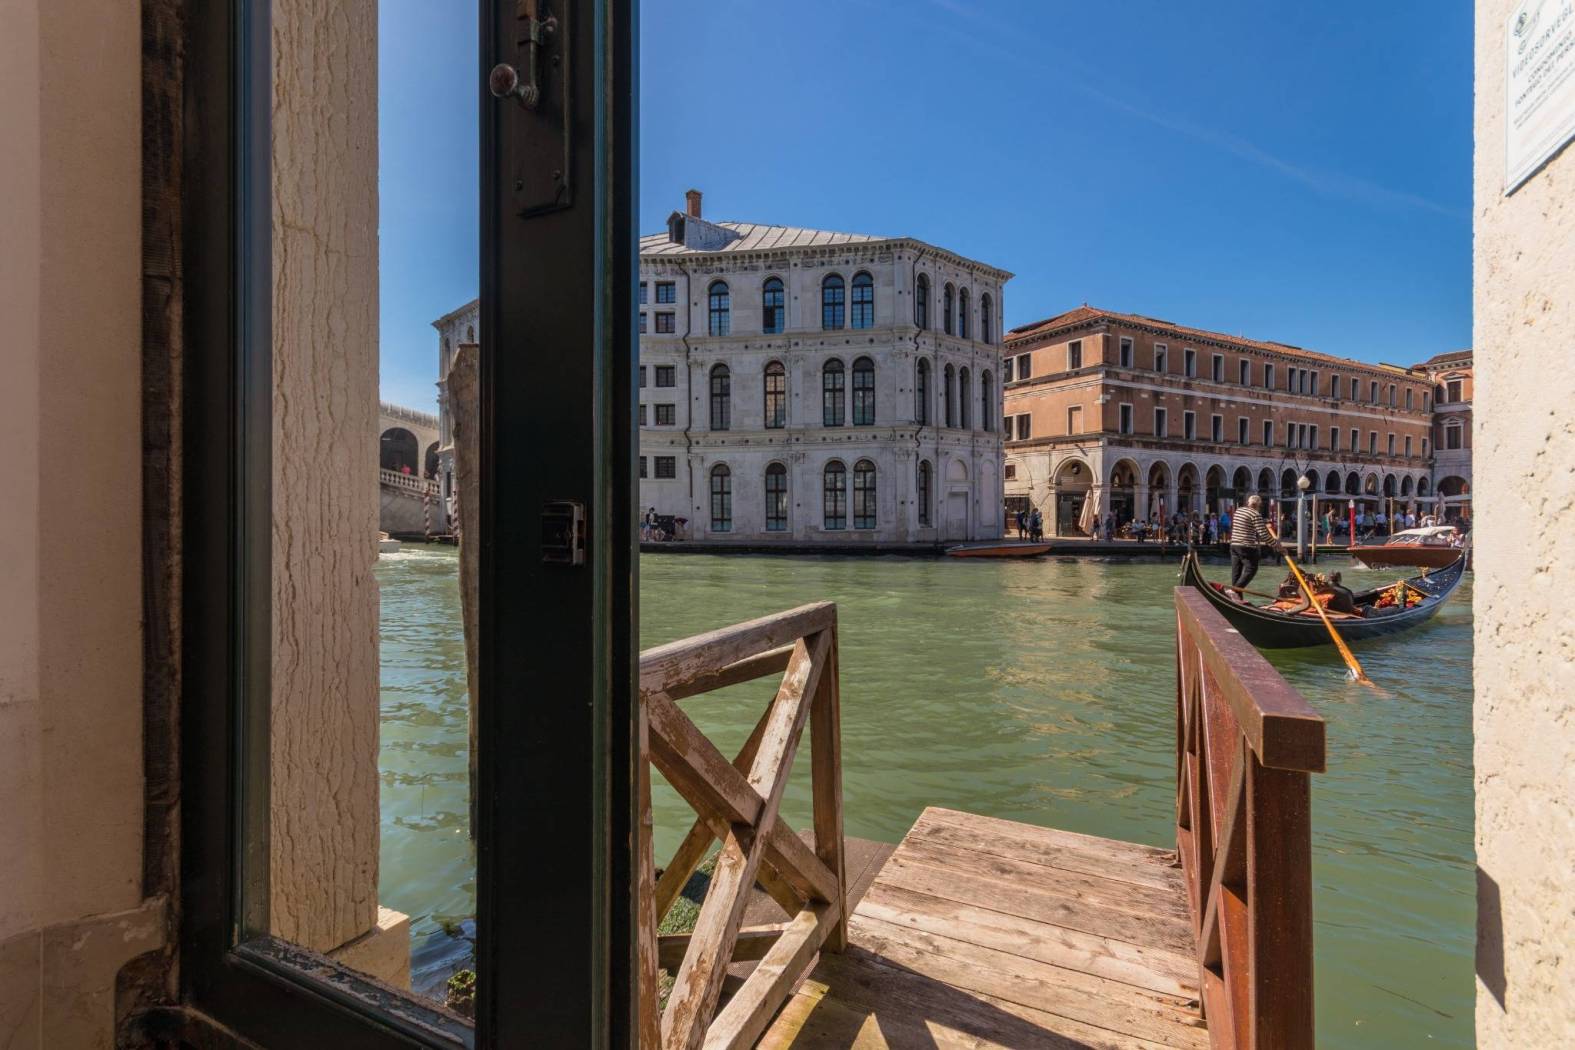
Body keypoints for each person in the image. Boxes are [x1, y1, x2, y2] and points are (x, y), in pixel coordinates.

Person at [1228, 494, 1276, 596]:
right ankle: (1234, 591)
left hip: (1234, 545)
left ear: (1248, 503)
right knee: (1251, 569)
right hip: (1246, 546)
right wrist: (1276, 544)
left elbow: (1246, 525)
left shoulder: (1238, 511)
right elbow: (1263, 534)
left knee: (1236, 573)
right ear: (1258, 505)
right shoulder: (1255, 514)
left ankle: (1236, 599)